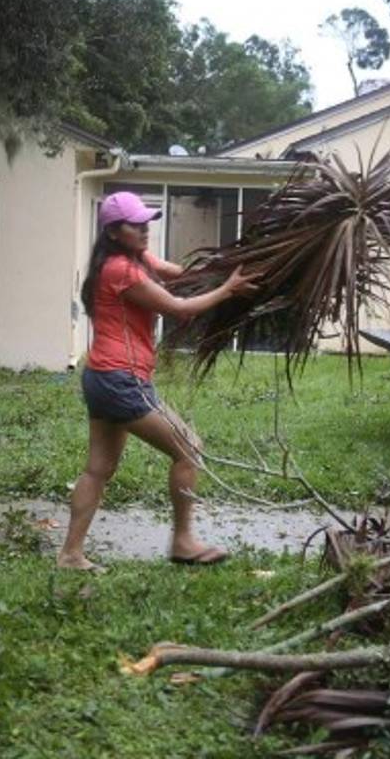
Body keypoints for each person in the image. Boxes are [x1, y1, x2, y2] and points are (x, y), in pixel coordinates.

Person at [56, 191, 258, 572]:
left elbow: (180, 277)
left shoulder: (134, 260)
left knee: (98, 469)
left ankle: (70, 554)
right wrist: (228, 290)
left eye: (147, 222)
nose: (145, 230)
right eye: (136, 225)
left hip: (102, 377)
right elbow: (177, 308)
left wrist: (224, 273)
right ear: (114, 231)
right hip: (121, 380)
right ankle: (183, 541)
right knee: (188, 448)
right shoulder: (121, 270)